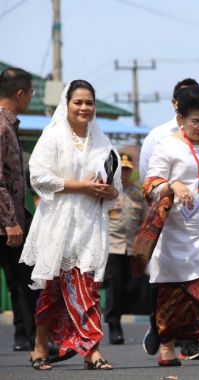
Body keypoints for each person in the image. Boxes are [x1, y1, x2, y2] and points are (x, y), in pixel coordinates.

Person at [20, 80, 121, 370]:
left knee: (88, 288)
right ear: (66, 104)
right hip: (58, 224)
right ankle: (40, 347)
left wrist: (107, 192)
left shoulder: (102, 141)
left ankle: (92, 351)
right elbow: (38, 178)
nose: (84, 108)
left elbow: (116, 188)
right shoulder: (52, 137)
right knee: (51, 291)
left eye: (89, 102)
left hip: (90, 224)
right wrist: (81, 186)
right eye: (78, 102)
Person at [145, 85, 199, 367]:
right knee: (171, 294)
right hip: (173, 232)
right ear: (180, 118)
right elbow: (149, 186)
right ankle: (168, 349)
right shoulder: (166, 144)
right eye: (196, 121)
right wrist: (173, 184)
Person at [139, 77, 199, 360]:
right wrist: (168, 191)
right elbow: (147, 177)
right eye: (184, 98)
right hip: (168, 217)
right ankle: (159, 328)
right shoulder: (159, 135)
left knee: (197, 278)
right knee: (166, 279)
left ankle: (191, 342)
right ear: (175, 104)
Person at [0, 68, 38, 352]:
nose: (32, 97)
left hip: (14, 218)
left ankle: (29, 339)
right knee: (23, 282)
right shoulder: (1, 126)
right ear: (20, 93)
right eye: (32, 92)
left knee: (23, 281)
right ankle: (31, 340)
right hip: (5, 223)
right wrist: (10, 222)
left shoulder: (10, 124)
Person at [104, 153, 145, 344]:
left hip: (132, 248)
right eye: (122, 169)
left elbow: (144, 221)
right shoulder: (108, 192)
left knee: (132, 287)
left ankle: (116, 315)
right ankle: (114, 325)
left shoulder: (138, 194)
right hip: (112, 246)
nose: (125, 173)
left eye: (128, 170)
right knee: (115, 287)